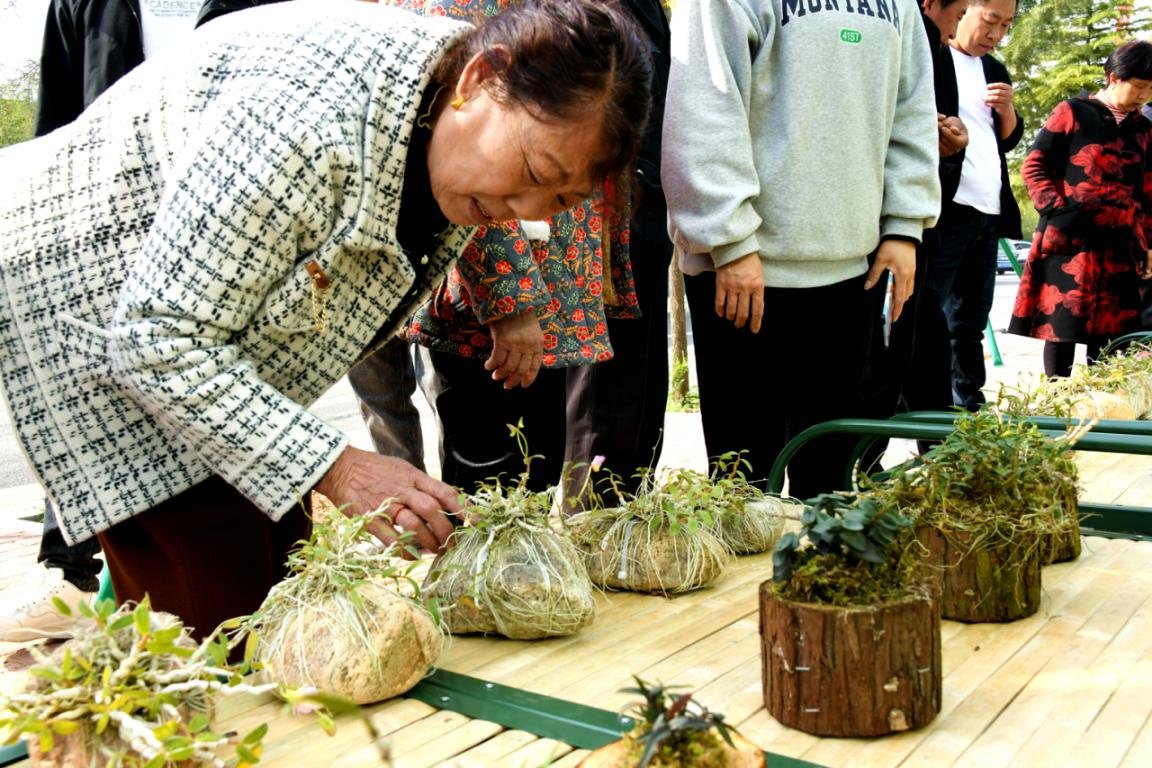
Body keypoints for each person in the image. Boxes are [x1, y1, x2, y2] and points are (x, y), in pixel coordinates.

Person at [0, 0, 652, 638]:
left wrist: (513, 298)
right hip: (98, 314)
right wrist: (337, 467)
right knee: (226, 633)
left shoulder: (455, 106)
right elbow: (155, 341)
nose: (524, 207)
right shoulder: (302, 120)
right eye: (534, 169)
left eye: (559, 198)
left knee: (294, 596)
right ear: (482, 77)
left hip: (206, 348)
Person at [661, 0, 940, 499]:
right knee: (744, 481)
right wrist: (729, 238)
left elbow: (912, 106)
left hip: (853, 267)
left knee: (830, 479)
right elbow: (703, 106)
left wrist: (904, 225)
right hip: (744, 270)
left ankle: (819, 577)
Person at [388, 0, 654, 498]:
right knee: (489, 487)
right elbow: (471, 160)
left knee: (539, 469)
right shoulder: (474, 30)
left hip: (558, 295)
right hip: (489, 315)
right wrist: (509, 300)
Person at [0, 0, 202, 643]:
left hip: (211, 235)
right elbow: (54, 124)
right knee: (84, 400)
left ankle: (181, 586)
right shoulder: (85, 6)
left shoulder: (253, 6)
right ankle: (75, 575)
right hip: (100, 234)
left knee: (197, 408)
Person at [1008, 41, 1152, 376]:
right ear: (1113, 77)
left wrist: (1147, 244)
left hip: (1120, 246)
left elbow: (1148, 194)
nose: (1144, 96)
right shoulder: (1072, 112)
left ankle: (1102, 412)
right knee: (1061, 330)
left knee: (1112, 337)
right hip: (1069, 242)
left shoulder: (1144, 130)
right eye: (1140, 86)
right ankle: (1057, 410)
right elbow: (1034, 165)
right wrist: (1058, 210)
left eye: (1150, 89)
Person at [934, 0, 1024, 411]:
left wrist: (1007, 110)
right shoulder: (933, 58)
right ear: (964, 10)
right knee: (930, 316)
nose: (996, 34)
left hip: (988, 208)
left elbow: (1007, 139)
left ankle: (968, 406)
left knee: (970, 320)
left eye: (1006, 25)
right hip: (944, 207)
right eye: (991, 21)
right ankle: (924, 411)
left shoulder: (995, 70)